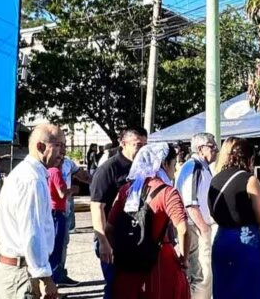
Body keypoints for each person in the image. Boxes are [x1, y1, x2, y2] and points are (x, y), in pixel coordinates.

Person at [107, 143, 190, 299]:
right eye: (174, 164)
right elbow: (183, 229)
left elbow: (109, 229)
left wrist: (123, 250)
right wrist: (184, 259)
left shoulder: (126, 190)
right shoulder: (167, 192)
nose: (175, 169)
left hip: (128, 266)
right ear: (164, 163)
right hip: (160, 262)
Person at [0, 124, 65, 299]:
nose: (63, 152)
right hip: (22, 273)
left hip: (23, 270)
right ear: (41, 147)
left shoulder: (33, 174)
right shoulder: (31, 179)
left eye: (65, 146)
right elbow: (32, 232)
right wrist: (45, 278)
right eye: (59, 146)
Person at [209, 138, 260, 296]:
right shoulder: (250, 180)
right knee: (247, 290)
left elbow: (213, 212)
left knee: (224, 289)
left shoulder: (215, 179)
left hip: (221, 238)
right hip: (245, 240)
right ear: (249, 159)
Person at [91, 128, 147, 297]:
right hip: (112, 238)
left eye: (145, 145)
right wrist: (103, 242)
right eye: (138, 145)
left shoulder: (142, 168)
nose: (142, 150)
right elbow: (96, 206)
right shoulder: (109, 169)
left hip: (134, 237)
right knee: (115, 286)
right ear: (123, 144)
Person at [175, 133, 218, 299]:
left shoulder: (201, 167)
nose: (216, 149)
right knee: (202, 275)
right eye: (212, 146)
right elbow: (190, 203)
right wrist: (204, 228)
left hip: (198, 227)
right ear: (201, 149)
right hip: (196, 228)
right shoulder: (194, 167)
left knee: (204, 275)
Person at [53, 154, 90, 285]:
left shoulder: (68, 163)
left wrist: (97, 181)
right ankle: (52, 276)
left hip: (65, 207)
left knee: (63, 241)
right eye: (58, 144)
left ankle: (59, 273)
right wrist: (73, 189)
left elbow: (83, 176)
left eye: (63, 144)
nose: (62, 148)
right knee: (54, 243)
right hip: (53, 209)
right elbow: (61, 192)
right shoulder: (50, 166)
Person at [46, 156, 70, 276]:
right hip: (57, 211)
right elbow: (62, 193)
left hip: (52, 210)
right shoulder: (55, 172)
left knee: (53, 244)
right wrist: (72, 190)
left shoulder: (47, 172)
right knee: (57, 245)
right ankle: (55, 275)